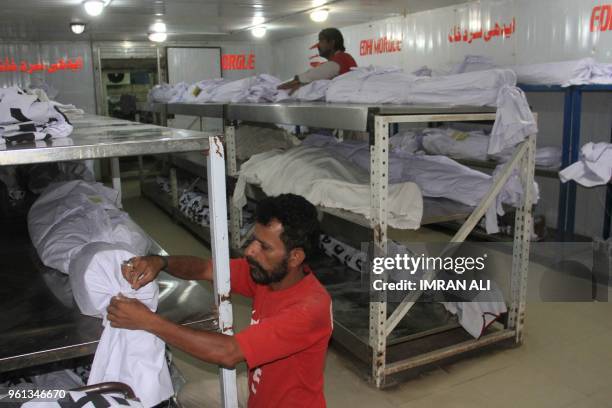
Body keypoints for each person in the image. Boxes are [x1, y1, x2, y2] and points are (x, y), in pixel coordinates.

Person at [107, 194, 332, 408]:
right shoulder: (268, 275)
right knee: (186, 396)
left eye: (265, 247)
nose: (250, 251)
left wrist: (148, 321)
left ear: (295, 257)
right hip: (258, 389)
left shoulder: (309, 308)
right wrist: (160, 262)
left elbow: (228, 352)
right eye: (254, 240)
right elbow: (207, 268)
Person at [278, 27, 357, 94]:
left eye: (321, 41)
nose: (318, 45)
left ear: (332, 43)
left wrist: (281, 87)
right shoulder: (346, 58)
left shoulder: (341, 59)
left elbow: (311, 75)